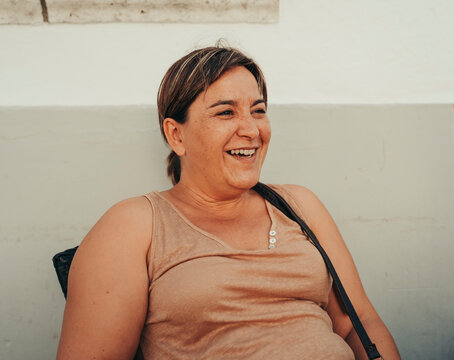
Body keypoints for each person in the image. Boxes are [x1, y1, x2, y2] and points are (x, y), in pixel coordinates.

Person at [56, 45, 401, 360]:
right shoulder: (133, 225)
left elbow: (358, 322)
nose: (251, 129)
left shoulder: (299, 206)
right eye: (225, 113)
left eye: (258, 110)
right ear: (176, 135)